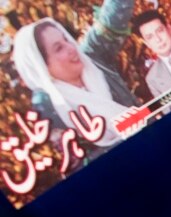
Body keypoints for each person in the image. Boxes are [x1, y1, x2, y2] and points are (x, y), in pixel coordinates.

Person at [11, 0, 138, 155]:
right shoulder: (51, 111)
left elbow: (115, 15)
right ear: (43, 68)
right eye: (59, 48)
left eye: (66, 39)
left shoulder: (92, 57)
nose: (71, 48)